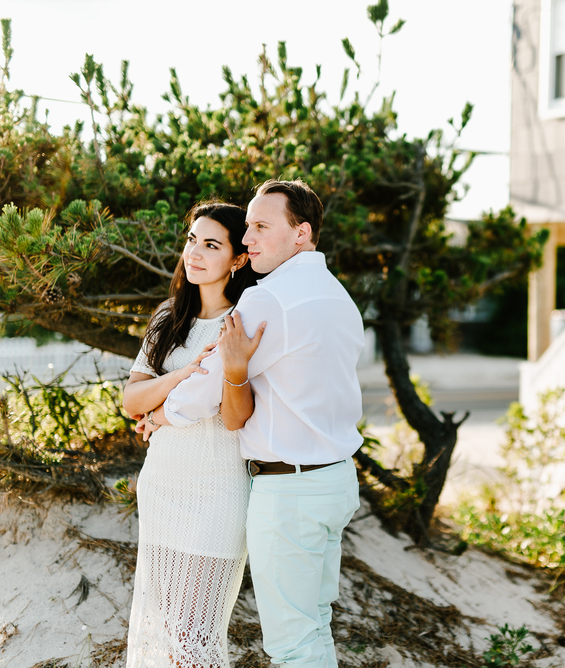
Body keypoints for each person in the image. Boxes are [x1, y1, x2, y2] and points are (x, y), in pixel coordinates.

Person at [143, 179, 365, 668]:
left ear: (301, 233)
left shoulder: (270, 299)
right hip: (336, 481)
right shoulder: (339, 297)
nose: (248, 240)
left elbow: (207, 383)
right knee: (313, 626)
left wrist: (161, 413)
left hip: (290, 491)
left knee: (292, 644)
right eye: (247, 228)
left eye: (262, 227)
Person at [122, 201, 259, 667]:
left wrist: (158, 404)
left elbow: (235, 414)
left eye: (211, 244)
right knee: (168, 631)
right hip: (162, 484)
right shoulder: (169, 318)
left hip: (218, 490)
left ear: (239, 258)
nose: (194, 253)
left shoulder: (242, 321)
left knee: (192, 635)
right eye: (191, 241)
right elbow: (131, 401)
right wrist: (180, 379)